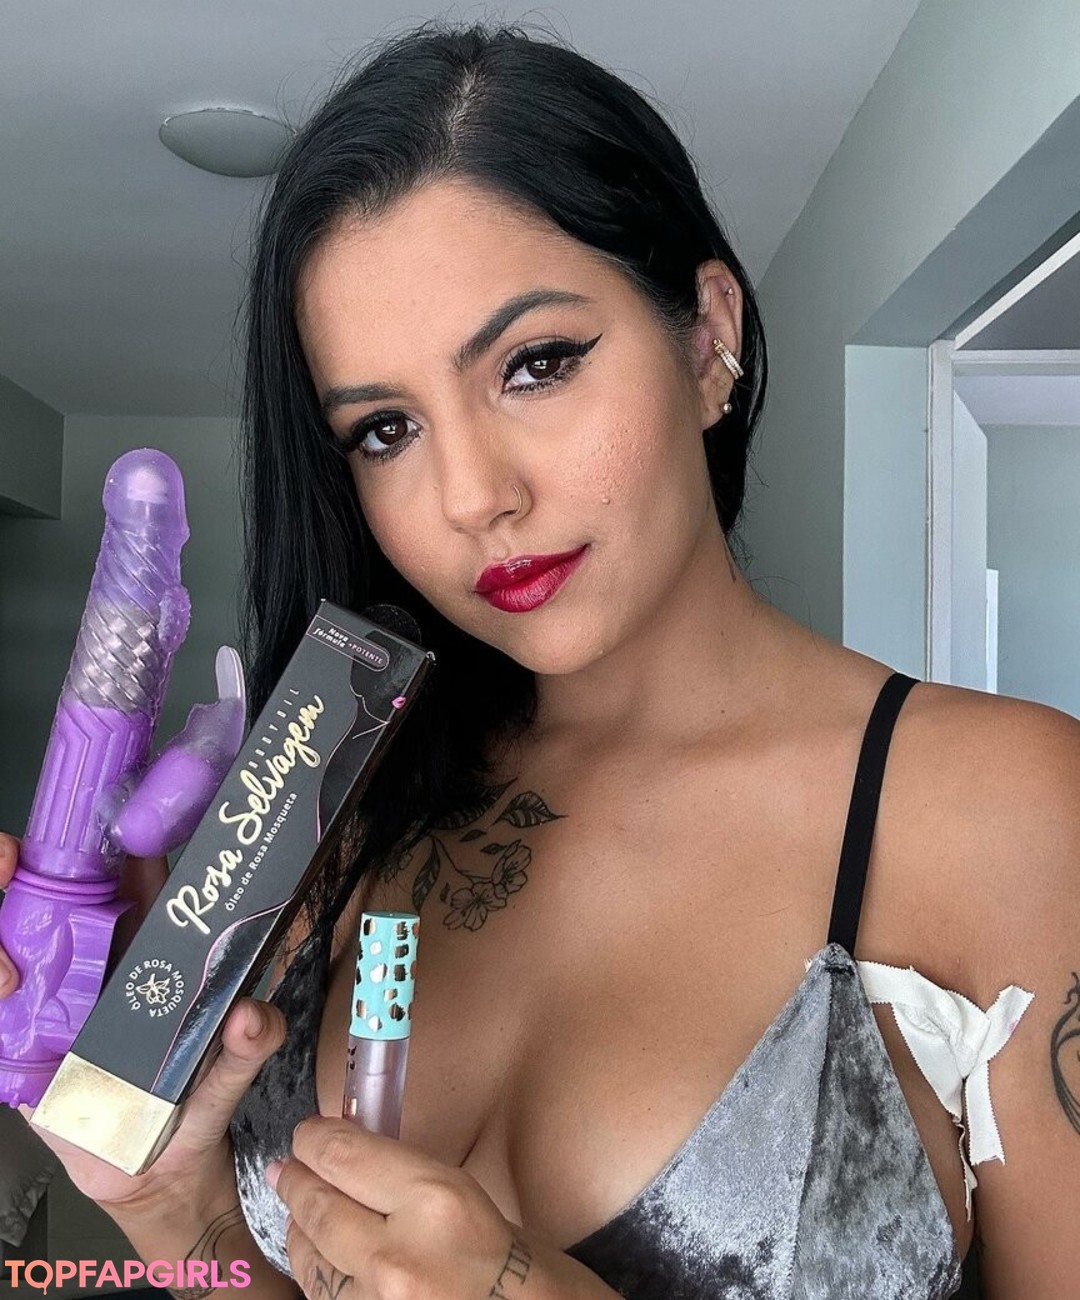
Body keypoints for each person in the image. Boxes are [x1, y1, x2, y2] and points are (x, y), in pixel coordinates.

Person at [3, 20, 1077, 1300]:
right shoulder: (348, 811)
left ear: (706, 339)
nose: (472, 496)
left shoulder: (1001, 810)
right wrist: (175, 1208)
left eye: (537, 364)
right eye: (386, 428)